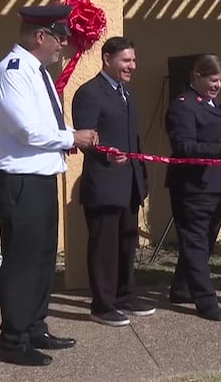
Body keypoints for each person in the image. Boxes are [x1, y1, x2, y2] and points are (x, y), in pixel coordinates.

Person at [0, 5, 98, 366]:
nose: (64, 45)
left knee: (43, 259)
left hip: (41, 176)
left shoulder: (39, 73)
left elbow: (42, 126)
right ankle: (13, 340)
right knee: (22, 261)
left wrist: (65, 140)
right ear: (40, 36)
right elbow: (27, 130)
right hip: (19, 180)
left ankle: (34, 326)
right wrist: (71, 136)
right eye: (60, 37)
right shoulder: (12, 72)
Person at [72, 37, 154, 327]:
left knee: (126, 244)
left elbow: (134, 140)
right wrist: (105, 154)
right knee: (105, 247)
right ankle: (103, 305)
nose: (133, 66)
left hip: (129, 184)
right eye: (126, 60)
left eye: (133, 60)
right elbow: (85, 138)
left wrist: (140, 177)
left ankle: (124, 296)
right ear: (107, 59)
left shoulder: (126, 94)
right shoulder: (90, 93)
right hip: (104, 184)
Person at [166, 54, 221, 321]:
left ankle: (181, 287)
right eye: (212, 79)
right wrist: (217, 150)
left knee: (205, 241)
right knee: (196, 242)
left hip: (217, 184)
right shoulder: (183, 106)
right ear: (196, 76)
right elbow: (183, 145)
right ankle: (205, 300)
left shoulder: (214, 105)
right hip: (192, 185)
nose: (217, 85)